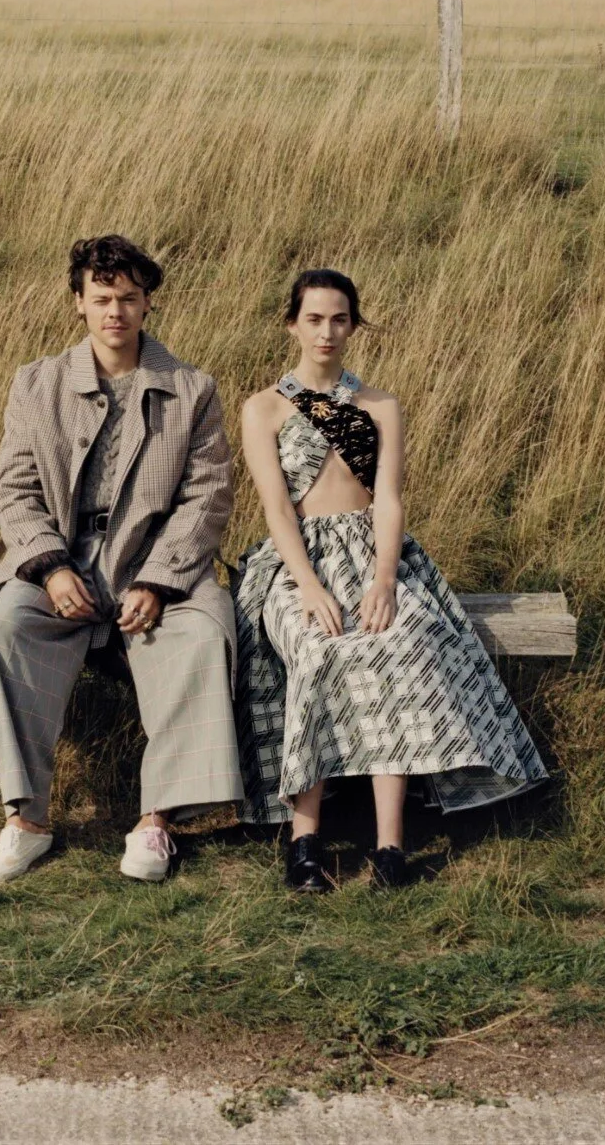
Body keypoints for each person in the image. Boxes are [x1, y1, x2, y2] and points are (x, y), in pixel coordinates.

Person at [232, 269, 549, 892]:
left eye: (340, 319)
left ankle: (390, 848)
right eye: (315, 319)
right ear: (292, 323)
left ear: (354, 325)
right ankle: (304, 843)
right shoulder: (265, 407)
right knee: (319, 650)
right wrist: (309, 588)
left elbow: (389, 501)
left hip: (375, 555)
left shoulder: (378, 405)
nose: (327, 331)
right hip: (299, 564)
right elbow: (275, 508)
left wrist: (383, 581)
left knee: (404, 644)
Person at [0, 234, 243, 885]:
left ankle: (156, 822)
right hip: (60, 565)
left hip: (152, 568)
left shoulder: (190, 389)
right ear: (77, 303)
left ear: (147, 306)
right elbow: (14, 490)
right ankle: (25, 819)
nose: (116, 312)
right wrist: (51, 568)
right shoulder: (36, 383)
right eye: (102, 298)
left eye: (130, 299)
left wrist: (160, 581)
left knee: (197, 635)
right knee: (4, 627)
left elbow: (206, 498)